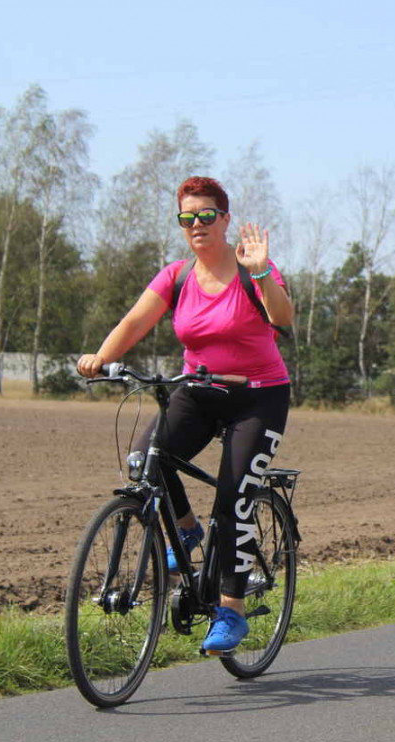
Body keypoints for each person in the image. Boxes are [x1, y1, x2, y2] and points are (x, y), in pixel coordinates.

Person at [77, 176, 294, 652]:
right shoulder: (176, 276)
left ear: (225, 219)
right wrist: (100, 357)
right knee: (144, 461)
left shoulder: (251, 269)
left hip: (258, 397)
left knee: (234, 496)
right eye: (187, 217)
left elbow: (282, 318)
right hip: (197, 391)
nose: (197, 224)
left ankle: (232, 611)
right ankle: (188, 530)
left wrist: (261, 273)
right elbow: (135, 320)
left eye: (207, 215)